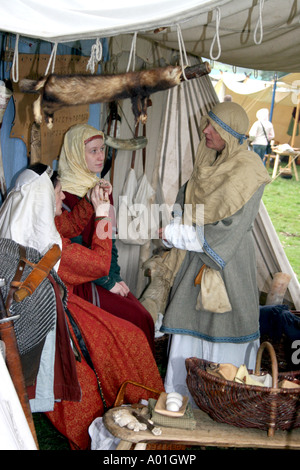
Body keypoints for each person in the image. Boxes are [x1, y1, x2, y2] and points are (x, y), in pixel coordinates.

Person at [0, 164, 164, 449]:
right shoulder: (50, 248)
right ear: (42, 198)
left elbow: (68, 225)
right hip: (49, 324)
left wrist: (90, 202)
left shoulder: (20, 218)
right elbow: (99, 264)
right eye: (59, 192)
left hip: (41, 312)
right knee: (130, 339)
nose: (64, 198)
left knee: (122, 336)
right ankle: (141, 422)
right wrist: (103, 216)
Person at [157, 102, 271, 404]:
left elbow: (229, 229)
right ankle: (181, 401)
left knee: (227, 335)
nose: (205, 131)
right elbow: (182, 210)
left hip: (229, 266)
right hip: (194, 266)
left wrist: (173, 234)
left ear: (230, 133)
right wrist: (172, 231)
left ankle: (228, 405)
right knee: (189, 334)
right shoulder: (204, 169)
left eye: (214, 126)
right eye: (207, 124)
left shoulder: (249, 172)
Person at [57, 123, 155, 352]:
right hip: (80, 282)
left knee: (143, 317)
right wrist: (108, 283)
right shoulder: (61, 196)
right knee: (134, 320)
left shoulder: (100, 190)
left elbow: (107, 240)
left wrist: (117, 277)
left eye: (102, 149)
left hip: (103, 274)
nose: (101, 156)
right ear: (75, 154)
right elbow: (76, 252)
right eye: (93, 151)